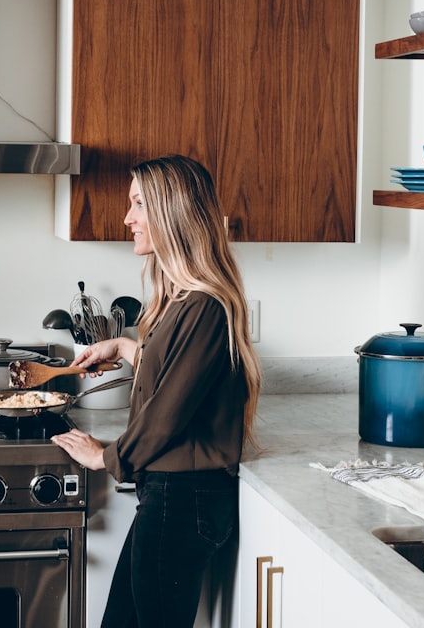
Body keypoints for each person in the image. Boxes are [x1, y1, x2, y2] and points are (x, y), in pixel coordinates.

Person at [51, 154, 262, 628]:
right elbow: (179, 375)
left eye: (139, 204)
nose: (128, 218)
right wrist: (126, 346)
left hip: (182, 501)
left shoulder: (204, 306)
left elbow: (167, 413)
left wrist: (106, 457)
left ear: (174, 212)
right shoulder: (182, 301)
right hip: (171, 499)